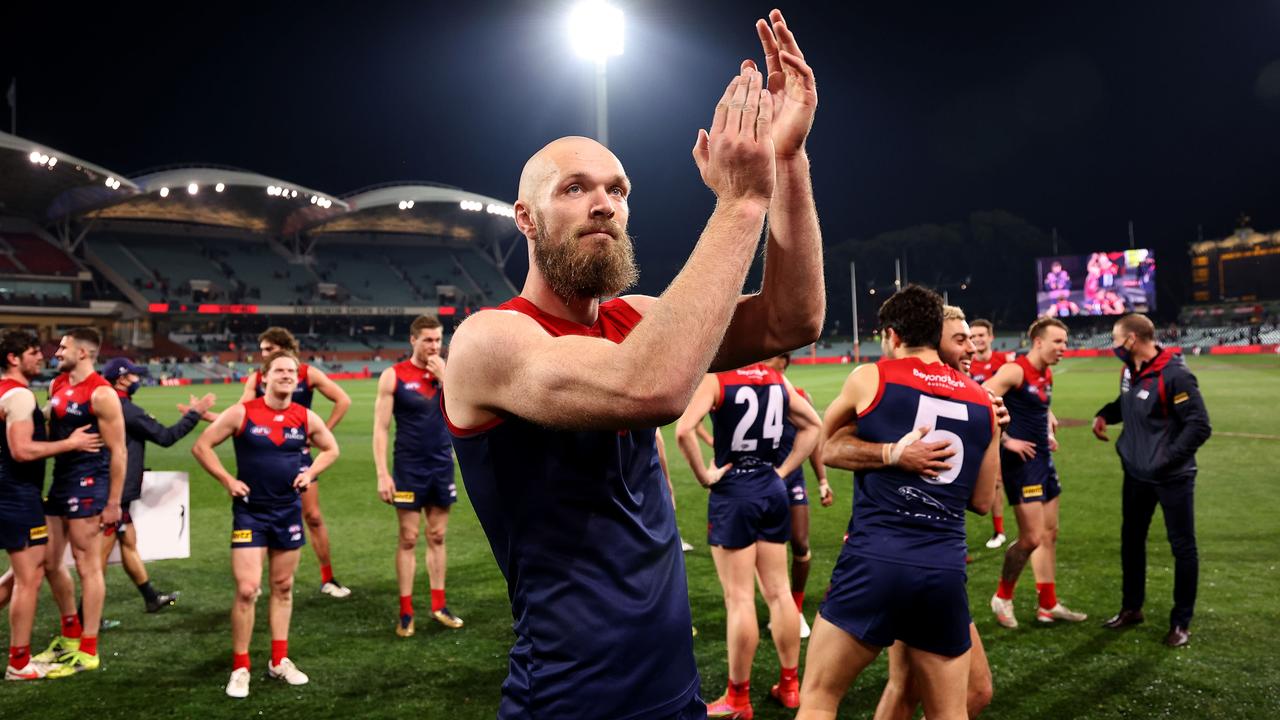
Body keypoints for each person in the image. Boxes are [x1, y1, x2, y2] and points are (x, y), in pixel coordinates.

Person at [442, 11, 822, 717]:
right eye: (575, 188)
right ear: (525, 219)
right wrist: (741, 203)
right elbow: (651, 386)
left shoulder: (634, 319)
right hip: (570, 700)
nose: (604, 205)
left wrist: (787, 163)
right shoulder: (489, 342)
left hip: (674, 687)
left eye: (617, 190)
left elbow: (790, 320)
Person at [796, 286, 999, 720]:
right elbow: (983, 502)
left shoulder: (873, 376)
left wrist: (891, 454)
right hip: (943, 569)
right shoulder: (985, 401)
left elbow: (824, 445)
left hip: (876, 559)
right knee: (951, 711)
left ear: (890, 335)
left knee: (818, 698)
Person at [873, 305, 1004, 720]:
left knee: (909, 686)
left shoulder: (964, 397)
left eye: (971, 337)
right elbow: (981, 501)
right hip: (916, 559)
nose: (972, 346)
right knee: (966, 691)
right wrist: (994, 434)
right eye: (960, 339)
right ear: (932, 342)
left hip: (920, 559)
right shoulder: (906, 393)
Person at [674, 361, 821, 716]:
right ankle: (790, 685)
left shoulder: (717, 378)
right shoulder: (776, 378)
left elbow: (683, 431)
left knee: (739, 598)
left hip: (734, 491)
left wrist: (705, 477)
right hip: (772, 489)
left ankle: (738, 698)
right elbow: (814, 424)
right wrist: (783, 471)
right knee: (779, 591)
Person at [193, 351, 340, 699]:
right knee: (247, 589)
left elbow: (331, 449)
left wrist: (311, 473)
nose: (287, 375)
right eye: (280, 371)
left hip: (287, 511)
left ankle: (278, 660)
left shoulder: (303, 416)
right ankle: (241, 666)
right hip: (250, 513)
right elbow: (202, 446)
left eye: (291, 371)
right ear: (264, 378)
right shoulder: (243, 412)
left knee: (283, 586)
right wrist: (227, 480)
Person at [1093, 313, 1211, 647]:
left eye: (1116, 338)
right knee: (1131, 541)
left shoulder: (1176, 375)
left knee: (1183, 547)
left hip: (1172, 477)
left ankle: (1180, 622)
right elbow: (1127, 403)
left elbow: (1199, 425)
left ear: (1131, 339)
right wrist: (1105, 414)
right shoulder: (1130, 370)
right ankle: (1132, 608)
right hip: (1136, 474)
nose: (1113, 345)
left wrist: (1165, 459)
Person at [1, 331, 103, 680]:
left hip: (11, 494)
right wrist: (71, 443)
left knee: (22, 572)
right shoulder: (18, 395)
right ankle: (18, 663)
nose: (42, 357)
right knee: (29, 579)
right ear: (14, 358)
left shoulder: (5, 392)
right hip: (17, 495)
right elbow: (22, 450)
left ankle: (70, 631)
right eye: (33, 353)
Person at [33, 327, 127, 678]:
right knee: (49, 561)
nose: (56, 352)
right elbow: (45, 418)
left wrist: (114, 502)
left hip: (90, 482)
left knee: (88, 565)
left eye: (63, 347)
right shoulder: (58, 385)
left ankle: (89, 648)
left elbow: (119, 451)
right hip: (60, 478)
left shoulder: (102, 394)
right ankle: (70, 635)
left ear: (84, 353)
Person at [986, 317, 1086, 628]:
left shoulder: (1046, 374)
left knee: (1049, 534)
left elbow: (1038, 409)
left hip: (1043, 461)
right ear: (1039, 342)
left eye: (1065, 343)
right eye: (1058, 342)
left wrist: (1048, 427)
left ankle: (1047, 605)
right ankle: (1002, 597)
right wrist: (1006, 440)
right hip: (1023, 467)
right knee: (1030, 538)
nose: (1063, 348)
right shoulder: (1015, 370)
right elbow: (981, 398)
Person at [240, 327, 352, 598]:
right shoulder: (257, 378)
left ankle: (328, 578)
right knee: (262, 516)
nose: (263, 354)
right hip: (264, 459)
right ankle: (257, 581)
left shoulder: (307, 373)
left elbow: (342, 400)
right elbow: (239, 412)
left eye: (268, 349)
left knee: (313, 517)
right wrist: (206, 416)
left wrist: (322, 431)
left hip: (299, 455)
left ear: (282, 348)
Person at [100, 357, 214, 615]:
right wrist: (195, 413)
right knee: (98, 560)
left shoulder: (108, 404)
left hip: (111, 487)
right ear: (122, 379)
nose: (138, 380)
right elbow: (165, 437)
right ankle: (86, 618)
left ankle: (150, 597)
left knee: (128, 542)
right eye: (134, 375)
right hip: (114, 492)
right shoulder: (125, 409)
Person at [373, 314, 463, 637]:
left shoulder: (450, 374)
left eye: (438, 340)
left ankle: (438, 605)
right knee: (408, 538)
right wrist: (383, 474)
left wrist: (445, 380)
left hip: (441, 465)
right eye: (427, 340)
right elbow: (381, 430)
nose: (434, 346)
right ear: (413, 340)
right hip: (408, 468)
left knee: (437, 536)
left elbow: (467, 412)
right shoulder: (393, 376)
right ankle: (406, 610)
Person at [765, 353, 832, 640]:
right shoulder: (752, 391)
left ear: (785, 362)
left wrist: (823, 481)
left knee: (801, 545)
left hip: (791, 478)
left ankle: (795, 606)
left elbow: (813, 442)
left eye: (775, 358)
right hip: (760, 482)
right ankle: (777, 608)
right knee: (768, 548)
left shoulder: (799, 396)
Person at [968, 319, 1009, 549]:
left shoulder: (1005, 363)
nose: (977, 340)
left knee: (998, 482)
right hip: (974, 433)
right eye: (972, 337)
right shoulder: (966, 366)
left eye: (981, 335)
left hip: (1002, 431)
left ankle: (999, 531)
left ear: (991, 336)